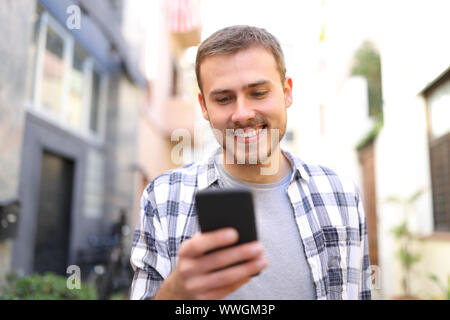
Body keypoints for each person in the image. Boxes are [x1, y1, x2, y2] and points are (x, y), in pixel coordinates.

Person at [130, 25, 371, 300]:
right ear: (204, 107)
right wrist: (176, 292)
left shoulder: (341, 196)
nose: (242, 114)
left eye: (258, 93)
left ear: (287, 92)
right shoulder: (162, 198)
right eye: (224, 99)